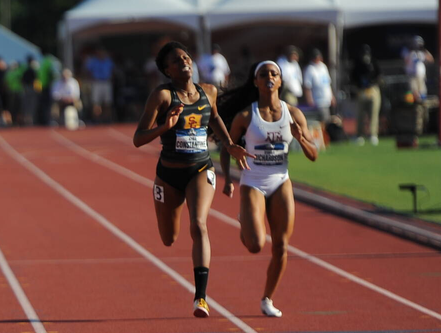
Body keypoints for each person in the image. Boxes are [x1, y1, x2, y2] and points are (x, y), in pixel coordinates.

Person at [133, 41, 251, 318]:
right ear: (167, 70)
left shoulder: (207, 91)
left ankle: (201, 297)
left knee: (199, 224)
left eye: (186, 57)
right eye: (177, 60)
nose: (185, 62)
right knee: (168, 238)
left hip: (200, 169)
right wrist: (165, 126)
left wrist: (230, 144)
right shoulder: (162, 96)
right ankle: (198, 291)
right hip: (168, 175)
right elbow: (138, 138)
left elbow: (215, 119)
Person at [225, 61, 319, 317]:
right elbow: (228, 145)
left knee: (281, 246)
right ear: (256, 82)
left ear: (280, 81)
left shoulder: (294, 114)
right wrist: (232, 159)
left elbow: (314, 154)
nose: (269, 77)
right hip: (253, 181)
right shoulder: (246, 116)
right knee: (255, 245)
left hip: (280, 180)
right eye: (264, 74)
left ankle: (267, 299)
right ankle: (245, 220)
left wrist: (300, 138)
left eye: (274, 74)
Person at [351, 45, 382, 145]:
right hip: (361, 91)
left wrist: (372, 83)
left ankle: (373, 134)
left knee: (373, 114)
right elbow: (353, 77)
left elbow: (379, 76)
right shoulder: (357, 64)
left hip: (372, 90)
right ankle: (359, 135)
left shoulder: (374, 62)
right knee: (360, 114)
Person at [302, 48, 333, 141]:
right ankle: (323, 138)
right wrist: (309, 99)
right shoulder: (310, 69)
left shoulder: (323, 67)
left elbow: (327, 83)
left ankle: (326, 138)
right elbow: (307, 86)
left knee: (327, 120)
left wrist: (332, 96)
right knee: (322, 121)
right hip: (318, 99)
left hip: (326, 97)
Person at [82, 48, 115, 123]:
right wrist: (91, 78)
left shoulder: (108, 61)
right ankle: (97, 119)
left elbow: (112, 70)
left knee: (107, 102)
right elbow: (87, 70)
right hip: (96, 82)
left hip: (106, 82)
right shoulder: (93, 61)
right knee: (96, 102)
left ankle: (107, 119)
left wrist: (111, 78)